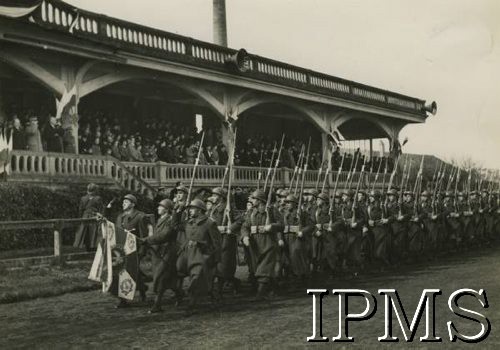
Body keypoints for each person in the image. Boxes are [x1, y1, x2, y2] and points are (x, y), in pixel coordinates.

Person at [176, 198, 221, 315]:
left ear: (200, 210)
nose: (190, 211)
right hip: (187, 256)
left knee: (196, 279)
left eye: (192, 208)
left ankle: (191, 305)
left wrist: (209, 255)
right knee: (185, 275)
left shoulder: (209, 223)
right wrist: (179, 210)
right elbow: (175, 225)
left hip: (202, 256)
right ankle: (212, 294)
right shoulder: (189, 222)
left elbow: (216, 244)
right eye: (189, 208)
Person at [142, 199, 184, 313]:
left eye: (160, 207)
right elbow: (158, 235)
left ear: (166, 209)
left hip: (168, 251)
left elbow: (164, 235)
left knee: (160, 277)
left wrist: (147, 240)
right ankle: (180, 293)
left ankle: (157, 304)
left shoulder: (170, 220)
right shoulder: (160, 219)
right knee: (167, 278)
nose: (158, 208)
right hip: (158, 252)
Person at [241, 189, 283, 301]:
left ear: (259, 200)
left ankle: (260, 295)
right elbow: (245, 226)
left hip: (268, 242)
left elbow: (281, 225)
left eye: (254, 198)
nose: (251, 200)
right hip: (255, 244)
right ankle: (275, 288)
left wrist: (272, 226)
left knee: (264, 269)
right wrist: (245, 236)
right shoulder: (251, 212)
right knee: (258, 269)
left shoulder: (271, 210)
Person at [114, 194, 153, 308]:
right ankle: (142, 288)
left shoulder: (140, 216)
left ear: (133, 204)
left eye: (126, 202)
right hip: (122, 251)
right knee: (129, 272)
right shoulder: (120, 217)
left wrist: (142, 251)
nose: (123, 204)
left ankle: (123, 300)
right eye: (123, 202)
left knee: (126, 273)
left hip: (135, 250)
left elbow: (144, 236)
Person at [207, 187, 241, 299]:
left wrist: (230, 228)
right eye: (213, 195)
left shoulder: (229, 207)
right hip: (215, 239)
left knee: (223, 265)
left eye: (215, 195)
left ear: (221, 197)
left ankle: (219, 291)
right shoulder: (212, 208)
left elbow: (240, 220)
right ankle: (233, 283)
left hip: (226, 239)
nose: (213, 197)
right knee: (215, 264)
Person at [73, 183, 104, 251]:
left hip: (85, 216)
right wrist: (101, 215)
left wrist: (80, 218)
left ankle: (88, 248)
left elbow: (80, 209)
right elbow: (101, 209)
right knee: (93, 232)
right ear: (95, 190)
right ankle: (93, 248)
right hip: (94, 216)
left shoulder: (83, 198)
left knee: (85, 232)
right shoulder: (98, 198)